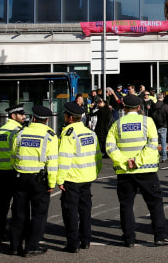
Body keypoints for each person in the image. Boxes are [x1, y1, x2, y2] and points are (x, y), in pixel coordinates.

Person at [105, 95, 168, 248]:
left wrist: (126, 161)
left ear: (124, 108)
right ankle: (160, 236)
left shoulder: (117, 124)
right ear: (139, 108)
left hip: (125, 171)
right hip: (146, 170)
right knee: (155, 203)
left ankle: (129, 238)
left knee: (126, 205)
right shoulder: (147, 121)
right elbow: (152, 145)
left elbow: (110, 147)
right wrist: (137, 161)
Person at [10, 105, 58, 257]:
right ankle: (31, 247)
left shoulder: (21, 133)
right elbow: (52, 161)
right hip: (39, 178)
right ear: (47, 120)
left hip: (20, 176)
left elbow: (13, 154)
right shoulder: (50, 135)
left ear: (34, 117)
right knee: (39, 213)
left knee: (19, 212)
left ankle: (15, 246)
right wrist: (51, 183)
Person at [57, 102, 103, 253]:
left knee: (70, 211)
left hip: (72, 178)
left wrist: (60, 179)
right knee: (85, 210)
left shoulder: (68, 133)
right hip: (87, 177)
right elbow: (98, 157)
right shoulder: (90, 132)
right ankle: (86, 240)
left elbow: (64, 159)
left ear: (70, 118)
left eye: (65, 115)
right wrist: (94, 172)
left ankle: (73, 243)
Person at [0, 104, 26, 244]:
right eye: (21, 114)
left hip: (2, 172)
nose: (24, 116)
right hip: (14, 172)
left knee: (2, 204)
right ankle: (17, 234)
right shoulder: (18, 131)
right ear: (13, 116)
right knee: (18, 205)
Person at [150, 93, 168, 163]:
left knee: (154, 142)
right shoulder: (165, 105)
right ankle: (164, 157)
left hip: (155, 125)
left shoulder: (153, 106)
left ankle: (154, 156)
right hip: (163, 125)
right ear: (162, 98)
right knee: (163, 142)